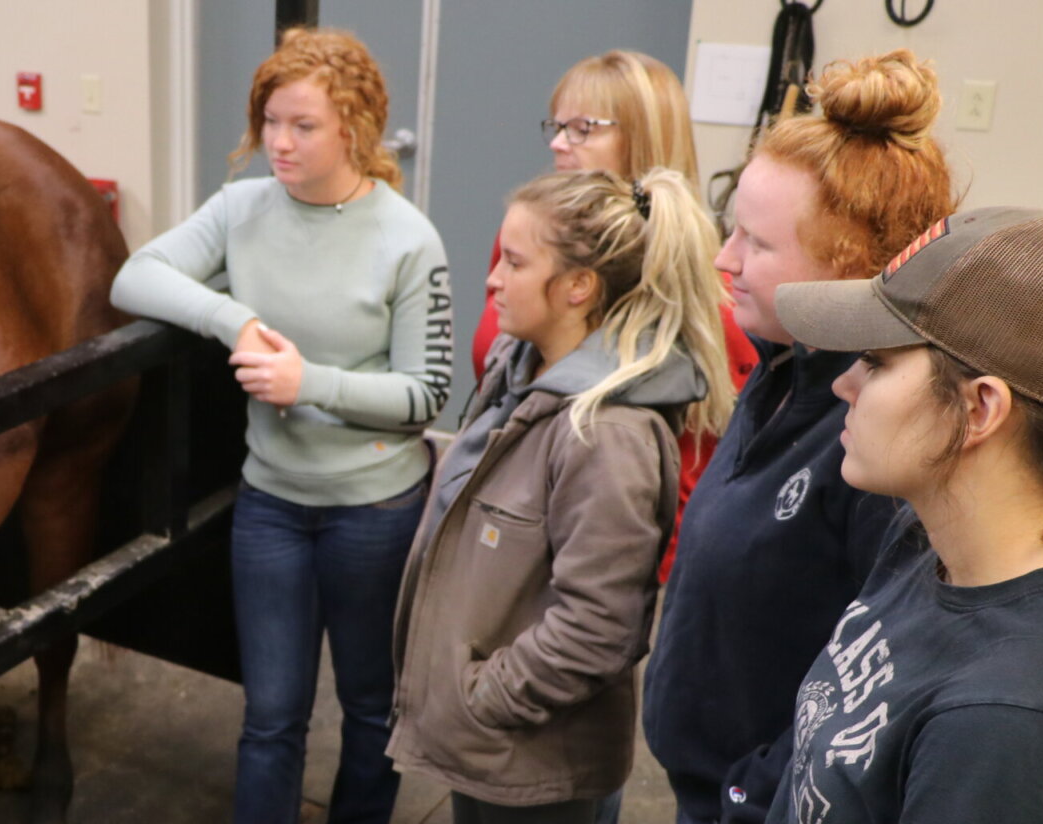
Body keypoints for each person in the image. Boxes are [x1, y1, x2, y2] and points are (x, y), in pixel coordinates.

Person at [764, 205, 1043, 823]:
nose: (843, 384)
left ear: (980, 409)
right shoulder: (928, 546)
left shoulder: (1009, 726)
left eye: (876, 362)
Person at [109, 27, 451, 824]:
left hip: (374, 510)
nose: (279, 143)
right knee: (269, 717)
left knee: (370, 709)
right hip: (270, 505)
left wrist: (309, 384)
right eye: (270, 121)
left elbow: (427, 395)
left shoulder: (409, 240)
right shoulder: (241, 208)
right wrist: (232, 317)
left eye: (304, 126)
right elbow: (137, 275)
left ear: (355, 130)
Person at [640, 50, 956, 824]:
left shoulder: (876, 436)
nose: (725, 260)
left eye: (757, 244)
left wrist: (760, 788)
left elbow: (879, 672)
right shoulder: (782, 365)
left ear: (847, 270)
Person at [389, 166, 732, 824]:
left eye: (515, 262)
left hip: (533, 767)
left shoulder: (605, 435)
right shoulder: (517, 373)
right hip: (485, 751)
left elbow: (597, 627)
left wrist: (480, 699)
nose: (492, 276)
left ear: (579, 286)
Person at [471, 50, 757, 584]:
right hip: (510, 533)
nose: (559, 144)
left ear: (644, 138)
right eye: (557, 126)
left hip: (625, 559)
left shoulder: (702, 289)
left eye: (583, 129)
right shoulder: (530, 242)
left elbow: (708, 457)